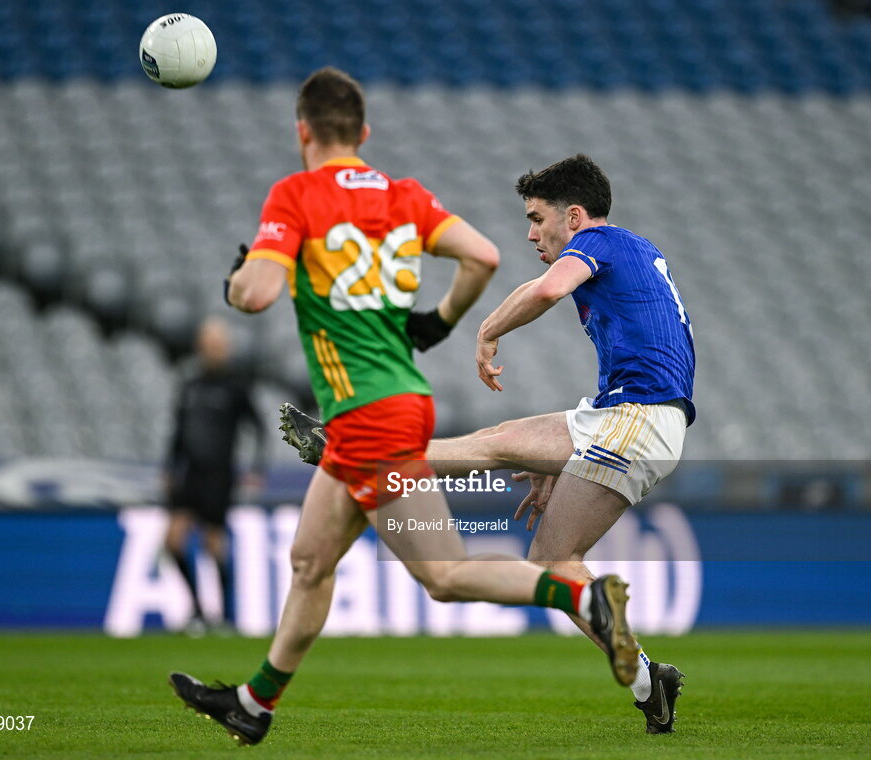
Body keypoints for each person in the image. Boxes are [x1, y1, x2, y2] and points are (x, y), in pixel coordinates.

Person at [168, 69, 638, 746]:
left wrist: (239, 278)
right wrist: (439, 323)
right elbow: (481, 255)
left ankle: (579, 596)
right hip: (395, 401)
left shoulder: (297, 195)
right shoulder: (400, 195)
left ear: (302, 131)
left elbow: (259, 294)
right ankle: (255, 703)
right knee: (309, 560)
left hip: (366, 416)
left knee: (443, 576)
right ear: (363, 134)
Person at [280, 154, 695, 733]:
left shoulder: (600, 245)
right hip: (625, 414)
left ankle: (351, 449)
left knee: (552, 562)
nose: (530, 232)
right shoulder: (632, 252)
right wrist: (561, 457)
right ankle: (652, 684)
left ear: (574, 217)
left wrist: (487, 329)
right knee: (498, 442)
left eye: (536, 218)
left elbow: (548, 289)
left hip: (638, 418)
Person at [164, 316, 267, 636]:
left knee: (213, 544)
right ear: (201, 346)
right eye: (209, 342)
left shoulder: (236, 387)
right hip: (190, 473)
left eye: (218, 343)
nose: (214, 349)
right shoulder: (190, 386)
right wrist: (169, 468)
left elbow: (259, 428)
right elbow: (178, 432)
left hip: (219, 474)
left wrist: (255, 468)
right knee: (173, 542)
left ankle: (222, 616)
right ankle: (196, 609)